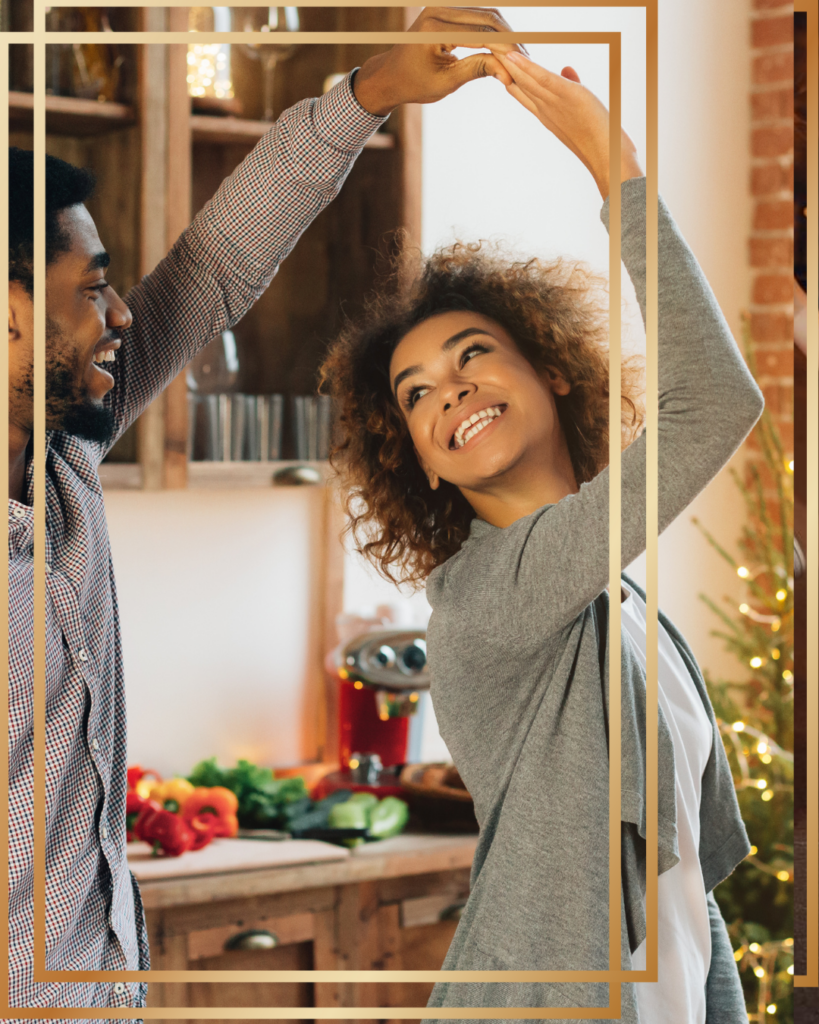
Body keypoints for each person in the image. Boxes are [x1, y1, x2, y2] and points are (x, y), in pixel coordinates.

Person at [5, 8, 524, 1014]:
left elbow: (213, 266)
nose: (121, 314)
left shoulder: (66, 456)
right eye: (93, 290)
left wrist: (372, 90)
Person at [321, 48, 764, 1023]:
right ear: (422, 462)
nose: (451, 393)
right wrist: (616, 170)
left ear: (554, 371)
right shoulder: (489, 595)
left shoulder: (622, 602)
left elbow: (678, 883)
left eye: (473, 355)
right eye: (417, 395)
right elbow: (717, 402)